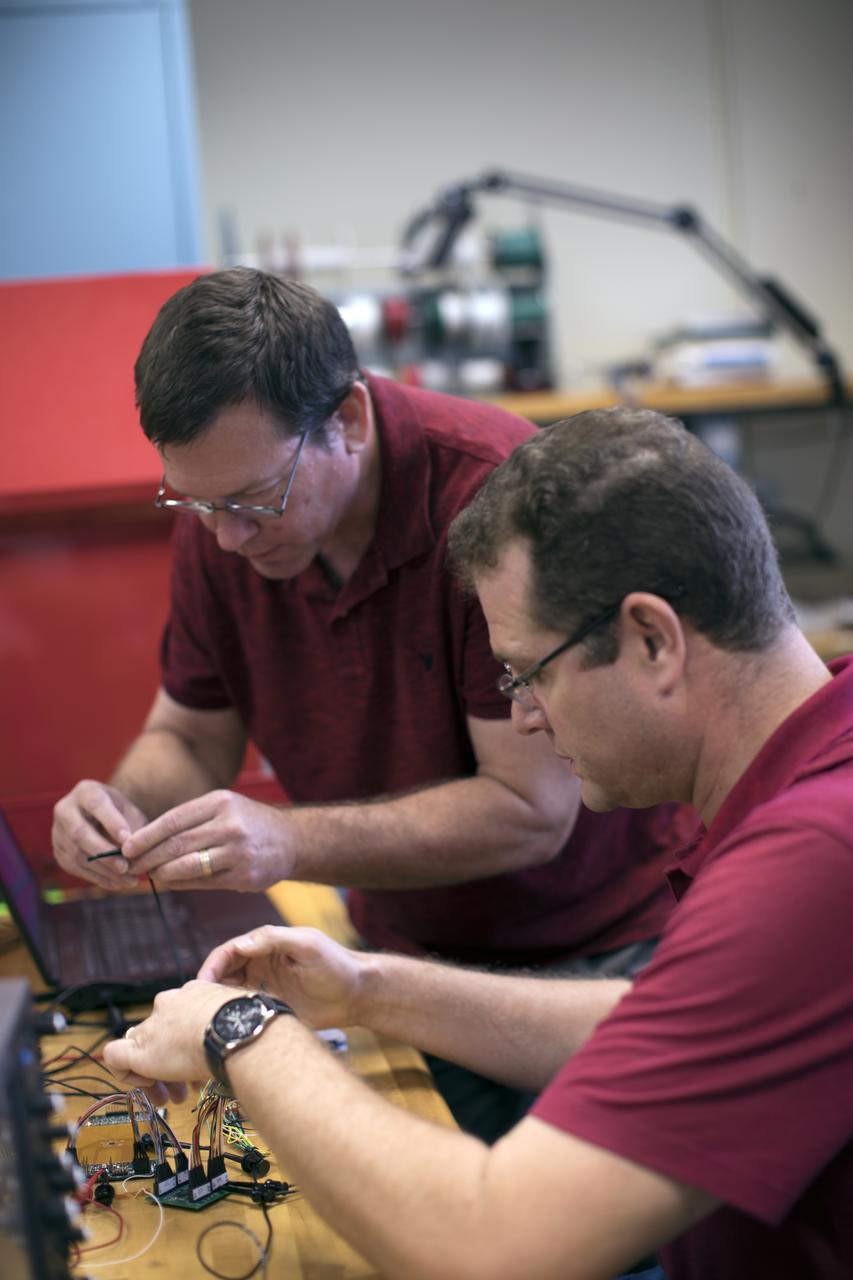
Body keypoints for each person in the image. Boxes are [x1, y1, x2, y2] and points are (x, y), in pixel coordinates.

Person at [104, 406, 853, 1280]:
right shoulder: (818, 775)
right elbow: (677, 1021)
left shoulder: (813, 861)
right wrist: (365, 989)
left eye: (528, 672)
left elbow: (492, 1246)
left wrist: (237, 1032)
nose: (524, 715)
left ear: (651, 639)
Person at [53, 270, 684, 1137]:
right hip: (402, 958)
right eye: (196, 502)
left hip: (594, 960)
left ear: (346, 421)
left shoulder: (495, 505)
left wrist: (289, 838)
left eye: (250, 502)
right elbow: (189, 734)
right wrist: (127, 810)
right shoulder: (227, 519)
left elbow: (530, 813)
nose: (225, 537)